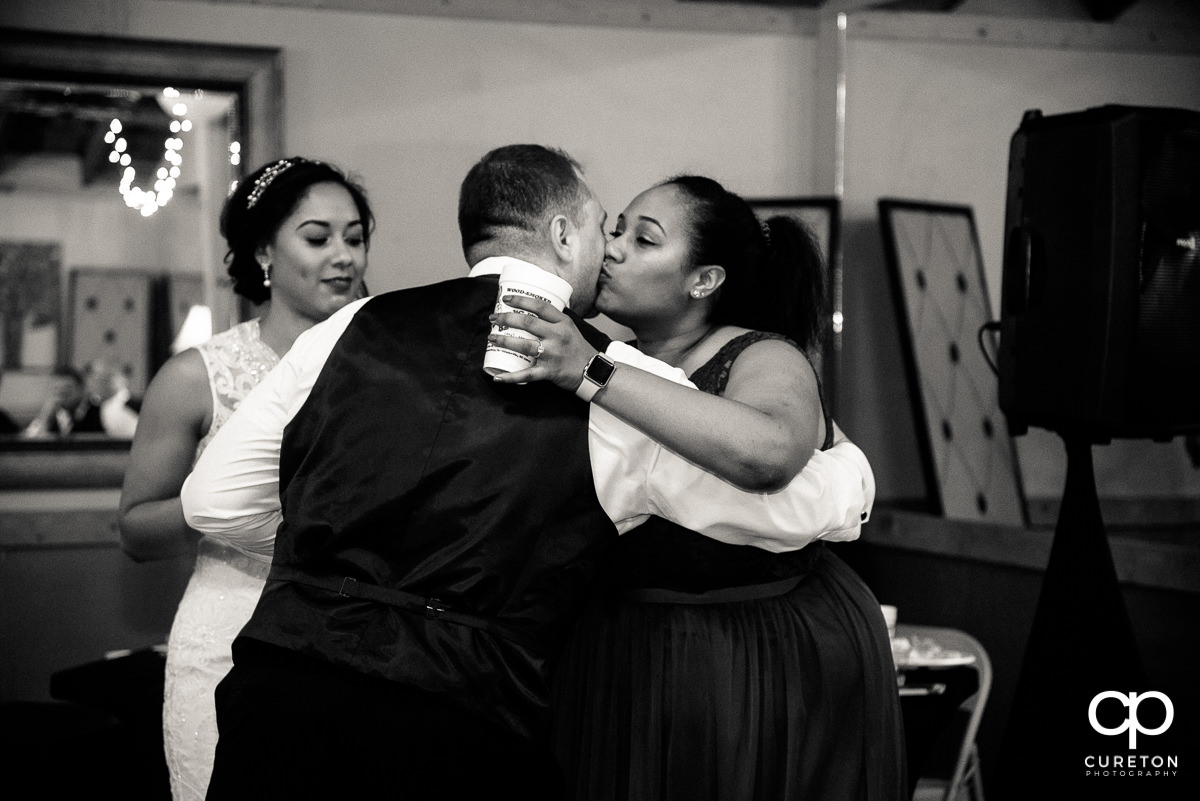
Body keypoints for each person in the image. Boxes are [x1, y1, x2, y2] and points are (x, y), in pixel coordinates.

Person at [179, 145, 875, 800]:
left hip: (279, 698)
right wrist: (850, 473)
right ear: (567, 235)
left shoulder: (349, 325)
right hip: (455, 724)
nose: (609, 250)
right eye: (608, 228)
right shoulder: (620, 385)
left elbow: (210, 503)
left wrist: (332, 563)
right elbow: (788, 510)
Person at [491, 175, 907, 800]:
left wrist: (588, 368)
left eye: (644, 239)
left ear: (703, 280)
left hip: (750, 646)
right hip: (621, 646)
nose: (614, 249)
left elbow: (766, 454)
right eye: (616, 229)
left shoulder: (758, 355)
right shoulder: (608, 352)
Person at [116, 156, 373, 801]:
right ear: (264, 253)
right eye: (317, 238)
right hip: (230, 641)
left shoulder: (387, 369)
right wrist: (228, 503)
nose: (342, 256)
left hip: (358, 652)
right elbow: (136, 528)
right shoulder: (195, 376)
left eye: (355, 237)